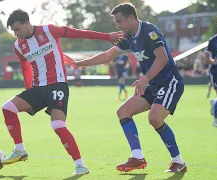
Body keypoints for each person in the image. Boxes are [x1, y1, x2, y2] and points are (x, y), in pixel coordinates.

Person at [1, 9, 124, 176]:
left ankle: (80, 165)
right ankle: (20, 150)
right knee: (7, 108)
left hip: (57, 85)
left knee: (57, 125)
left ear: (26, 23)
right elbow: (25, 67)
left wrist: (107, 36)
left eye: (17, 29)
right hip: (37, 88)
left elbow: (79, 33)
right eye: (13, 31)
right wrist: (28, 89)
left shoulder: (49, 30)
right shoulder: (18, 46)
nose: (16, 34)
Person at [72, 3, 187, 173]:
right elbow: (107, 56)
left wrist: (145, 78)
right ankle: (137, 157)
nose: (117, 26)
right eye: (116, 23)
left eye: (119, 21)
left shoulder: (149, 31)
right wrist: (79, 64)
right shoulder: (127, 38)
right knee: (123, 111)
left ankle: (178, 162)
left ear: (131, 18)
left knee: (154, 118)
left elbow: (162, 59)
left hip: (169, 81)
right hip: (150, 83)